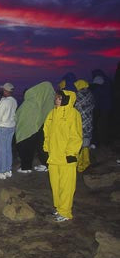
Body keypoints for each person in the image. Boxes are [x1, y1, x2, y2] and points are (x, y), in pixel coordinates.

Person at [43, 90, 82, 222]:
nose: (56, 100)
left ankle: (65, 212)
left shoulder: (73, 114)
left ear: (66, 99)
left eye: (59, 98)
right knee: (55, 184)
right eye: (56, 98)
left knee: (67, 186)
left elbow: (76, 135)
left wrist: (71, 153)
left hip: (66, 158)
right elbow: (46, 131)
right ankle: (59, 208)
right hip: (54, 157)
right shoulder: (52, 113)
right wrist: (46, 147)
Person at [14, 82, 55, 173]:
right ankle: (43, 165)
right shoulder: (43, 102)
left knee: (25, 149)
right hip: (37, 129)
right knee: (39, 148)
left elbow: (18, 115)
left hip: (26, 131)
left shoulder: (30, 103)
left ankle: (26, 167)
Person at [0, 83, 18, 180]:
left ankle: (2, 171)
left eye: (3, 90)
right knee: (7, 149)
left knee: (1, 151)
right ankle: (8, 170)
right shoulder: (13, 101)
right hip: (11, 126)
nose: (2, 91)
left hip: (2, 127)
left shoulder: (3, 102)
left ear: (6, 91)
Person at [74, 79, 95, 172]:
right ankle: (86, 163)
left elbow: (75, 107)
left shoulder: (78, 95)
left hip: (80, 122)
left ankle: (78, 164)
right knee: (86, 143)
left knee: (78, 143)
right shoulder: (90, 94)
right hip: (89, 121)